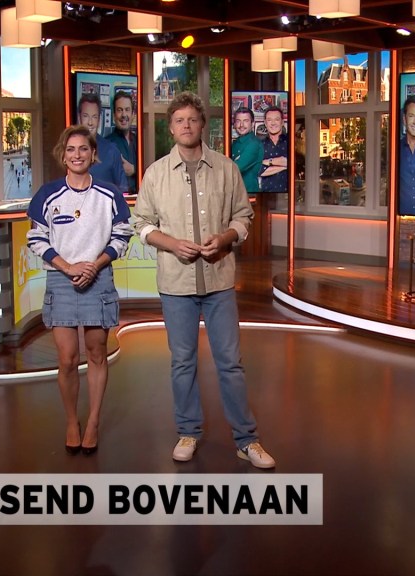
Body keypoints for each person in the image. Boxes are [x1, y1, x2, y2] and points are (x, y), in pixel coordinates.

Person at [133, 91, 276, 469]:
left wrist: (225, 238)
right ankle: (188, 432)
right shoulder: (155, 174)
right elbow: (141, 224)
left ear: (202, 125)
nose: (186, 126)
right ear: (171, 128)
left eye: (192, 120)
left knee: (230, 362)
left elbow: (244, 217)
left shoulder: (226, 169)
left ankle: (247, 440)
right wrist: (171, 244)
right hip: (175, 284)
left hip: (219, 282)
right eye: (179, 120)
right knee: (182, 362)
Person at [27, 125, 133, 456]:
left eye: (83, 149)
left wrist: (94, 266)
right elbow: (36, 238)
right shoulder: (48, 194)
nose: (77, 155)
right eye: (71, 149)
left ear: (93, 154)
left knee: (97, 352)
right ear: (63, 155)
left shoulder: (109, 194)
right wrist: (67, 266)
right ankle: (72, 422)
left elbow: (122, 235)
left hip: (98, 276)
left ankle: (93, 423)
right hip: (62, 278)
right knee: (67, 358)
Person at [78, 93, 128, 193]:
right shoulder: (71, 152)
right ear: (79, 118)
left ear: (99, 119)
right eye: (86, 116)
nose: (90, 122)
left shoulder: (112, 151)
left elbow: (123, 190)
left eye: (94, 117)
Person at [103, 91, 138, 194]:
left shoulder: (139, 142)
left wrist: (134, 170)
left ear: (133, 114)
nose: (124, 115)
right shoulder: (106, 144)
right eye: (119, 110)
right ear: (114, 115)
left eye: (127, 110)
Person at [230, 107, 263, 193]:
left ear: (252, 124)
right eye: (238, 121)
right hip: (234, 192)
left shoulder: (254, 144)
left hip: (248, 192)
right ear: (234, 124)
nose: (241, 125)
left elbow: (235, 168)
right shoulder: (235, 143)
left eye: (246, 121)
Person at [259, 106, 288, 193]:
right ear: (265, 123)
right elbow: (257, 170)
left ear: (282, 122)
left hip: (289, 194)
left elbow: (292, 162)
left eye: (276, 119)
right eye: (269, 120)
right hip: (266, 194)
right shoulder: (259, 145)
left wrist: (268, 162)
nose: (273, 123)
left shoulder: (291, 142)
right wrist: (284, 166)